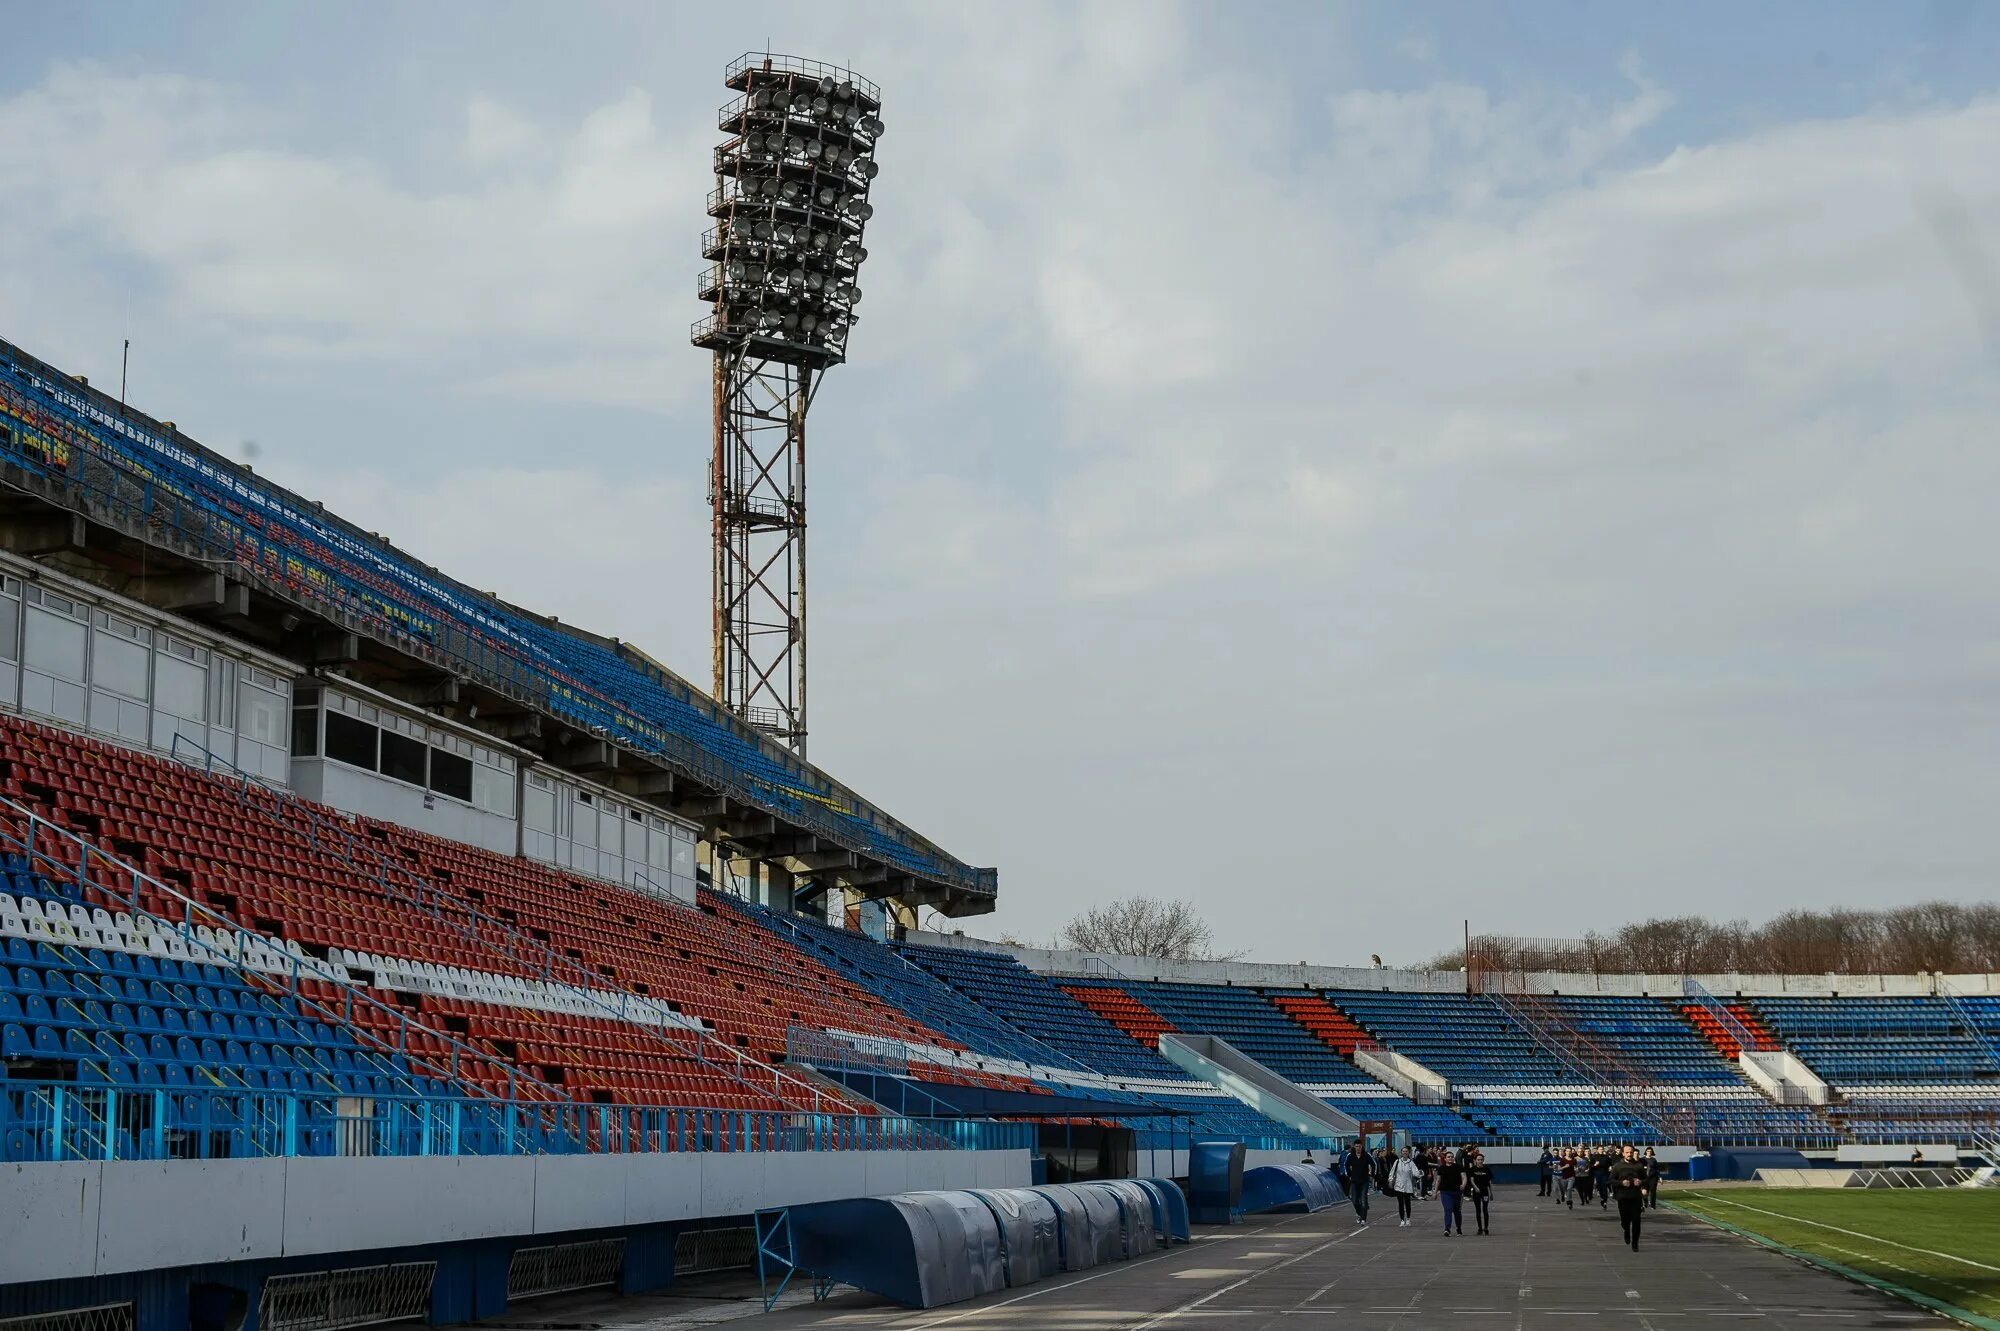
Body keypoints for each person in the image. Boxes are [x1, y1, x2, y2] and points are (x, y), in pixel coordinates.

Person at [1611, 1144, 1649, 1250]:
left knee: (1636, 1220)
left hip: (1636, 1197)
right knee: (1625, 1220)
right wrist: (1621, 1183)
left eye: (1631, 1152)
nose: (1629, 1154)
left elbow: (1646, 1179)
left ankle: (1635, 1243)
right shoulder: (1618, 1166)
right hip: (1622, 1197)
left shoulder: (1639, 1166)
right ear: (1623, 1153)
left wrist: (1642, 1184)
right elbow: (1611, 1181)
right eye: (1627, 1152)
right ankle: (1626, 1230)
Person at [1341, 1140, 1372, 1226]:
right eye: (1356, 1146)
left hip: (1364, 1181)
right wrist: (1349, 1175)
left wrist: (1371, 1174)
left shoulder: (1366, 1155)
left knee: (1363, 1200)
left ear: (1362, 1147)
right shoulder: (1350, 1156)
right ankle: (1359, 1214)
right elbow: (1345, 1165)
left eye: (1360, 1146)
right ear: (1354, 1147)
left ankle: (1364, 1219)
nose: (1358, 1148)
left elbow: (1373, 1164)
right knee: (1354, 1200)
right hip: (1354, 1181)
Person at [1437, 1149, 1466, 1235]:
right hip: (1445, 1192)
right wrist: (1435, 1192)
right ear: (1445, 1159)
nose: (1450, 1158)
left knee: (1457, 1211)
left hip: (1457, 1192)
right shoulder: (1441, 1168)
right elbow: (1438, 1180)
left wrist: (1463, 1184)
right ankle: (1447, 1229)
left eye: (1452, 1157)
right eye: (1448, 1157)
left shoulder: (1459, 1167)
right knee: (1448, 1209)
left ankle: (1459, 1228)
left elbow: (1464, 1177)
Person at [1390, 1146, 1421, 1227]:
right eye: (1403, 1151)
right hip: (1398, 1185)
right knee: (1400, 1203)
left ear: (1408, 1153)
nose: (1405, 1153)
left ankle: (1408, 1218)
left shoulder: (1411, 1163)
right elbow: (1392, 1172)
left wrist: (1418, 1174)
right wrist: (1390, 1180)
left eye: (1406, 1151)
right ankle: (1402, 1220)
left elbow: (1416, 1172)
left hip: (1408, 1186)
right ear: (1401, 1153)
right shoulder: (1397, 1162)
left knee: (1407, 1203)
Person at [1466, 1150, 1494, 1235]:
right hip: (1477, 1192)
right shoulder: (1473, 1169)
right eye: (1478, 1159)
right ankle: (1480, 1228)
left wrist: (1491, 1192)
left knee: (1485, 1209)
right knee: (1478, 1210)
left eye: (1481, 1159)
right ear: (1476, 1160)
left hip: (1485, 1191)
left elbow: (1489, 1182)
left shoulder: (1486, 1169)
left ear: (1483, 1160)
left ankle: (1486, 1227)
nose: (1480, 1161)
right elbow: (1471, 1180)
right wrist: (1475, 1188)